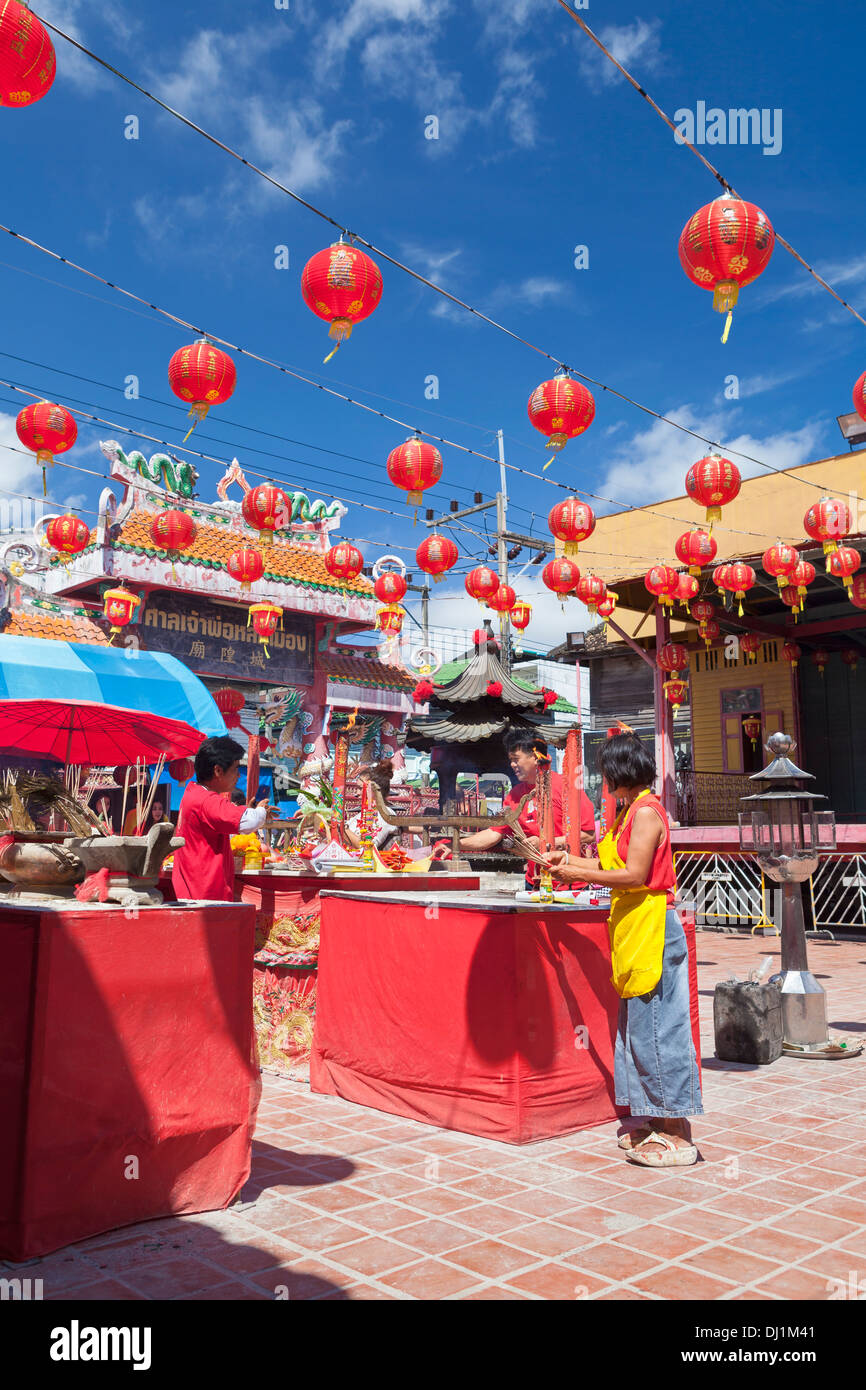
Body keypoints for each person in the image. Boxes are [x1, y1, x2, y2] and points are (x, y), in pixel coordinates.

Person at [542, 732, 702, 1168]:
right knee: (639, 1029)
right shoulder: (629, 811)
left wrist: (576, 869)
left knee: (660, 1030)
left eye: (606, 772)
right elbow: (610, 865)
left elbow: (634, 875)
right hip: (634, 928)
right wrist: (568, 865)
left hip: (653, 927)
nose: (602, 780)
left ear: (621, 771)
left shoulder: (648, 812)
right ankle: (652, 1121)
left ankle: (677, 1130)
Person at [457, 732, 596, 882]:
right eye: (511, 760)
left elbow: (589, 835)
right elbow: (494, 833)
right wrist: (456, 845)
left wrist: (545, 842)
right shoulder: (515, 796)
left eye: (516, 759)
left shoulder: (566, 788)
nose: (512, 764)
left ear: (535, 757)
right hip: (535, 880)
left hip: (568, 881)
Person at [172, 736, 272, 901]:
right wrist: (260, 811)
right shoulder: (206, 800)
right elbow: (249, 822)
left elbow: (233, 816)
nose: (238, 776)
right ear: (218, 771)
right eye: (235, 769)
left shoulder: (194, 793)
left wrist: (252, 811)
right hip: (204, 895)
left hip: (194, 890)